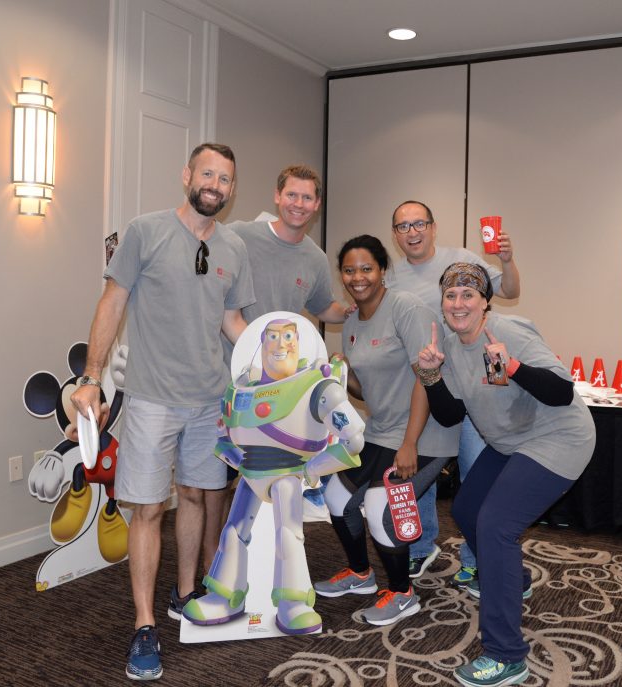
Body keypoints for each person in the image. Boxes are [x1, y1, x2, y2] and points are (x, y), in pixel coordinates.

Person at [70, 143, 254, 681]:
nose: (215, 185)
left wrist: (273, 363)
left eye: (225, 178)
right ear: (187, 175)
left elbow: (233, 322)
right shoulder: (145, 232)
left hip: (209, 398)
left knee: (196, 497)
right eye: (207, 174)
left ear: (232, 188)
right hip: (152, 398)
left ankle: (186, 592)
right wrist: (91, 377)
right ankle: (145, 624)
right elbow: (112, 301)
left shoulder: (234, 247)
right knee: (148, 509)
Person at [416, 262, 594, 687]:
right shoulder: (450, 346)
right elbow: (451, 414)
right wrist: (431, 377)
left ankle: (507, 656)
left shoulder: (509, 331)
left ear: (485, 302)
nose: (458, 303)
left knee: (495, 525)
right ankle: (514, 579)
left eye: (468, 295)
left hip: (558, 438)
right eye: (450, 296)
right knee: (467, 509)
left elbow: (561, 392)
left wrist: (511, 366)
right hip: (510, 442)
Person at [182, 315, 365, 634]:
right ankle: (225, 596)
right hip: (251, 472)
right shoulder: (241, 387)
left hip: (288, 473)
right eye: (273, 337)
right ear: (261, 342)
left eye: (288, 337)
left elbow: (354, 440)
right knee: (233, 533)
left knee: (289, 535)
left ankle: (294, 603)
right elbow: (223, 438)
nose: (281, 344)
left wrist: (313, 468)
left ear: (300, 342)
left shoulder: (317, 386)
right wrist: (239, 461)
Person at [313, 235, 457, 626]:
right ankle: (361, 574)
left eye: (366, 268)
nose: (357, 277)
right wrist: (343, 375)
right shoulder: (352, 322)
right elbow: (368, 391)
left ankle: (402, 593)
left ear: (382, 270)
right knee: (336, 496)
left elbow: (426, 377)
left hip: (424, 435)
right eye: (349, 270)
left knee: (380, 506)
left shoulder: (406, 309)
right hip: (380, 431)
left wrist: (410, 444)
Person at [386, 200, 520, 584]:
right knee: (421, 466)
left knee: (476, 472)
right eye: (403, 226)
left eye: (419, 223)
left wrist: (507, 259)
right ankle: (420, 547)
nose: (412, 232)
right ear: (395, 234)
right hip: (429, 384)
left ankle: (477, 556)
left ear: (433, 226)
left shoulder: (461, 260)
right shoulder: (390, 276)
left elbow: (509, 290)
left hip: (474, 381)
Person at [226, 164, 350, 519]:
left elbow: (323, 306)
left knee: (269, 473)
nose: (298, 203)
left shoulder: (315, 258)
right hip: (230, 377)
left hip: (277, 386)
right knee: (221, 478)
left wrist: (355, 310)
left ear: (317, 204)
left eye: (307, 197)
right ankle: (213, 552)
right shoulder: (239, 236)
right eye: (291, 194)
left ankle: (258, 552)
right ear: (277, 196)